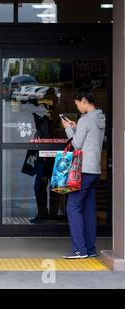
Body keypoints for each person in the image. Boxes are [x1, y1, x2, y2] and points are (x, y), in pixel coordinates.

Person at [61, 88, 106, 259]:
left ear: (84, 100)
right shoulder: (101, 118)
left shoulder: (85, 120)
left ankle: (79, 249)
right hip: (95, 170)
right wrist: (76, 127)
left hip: (83, 170)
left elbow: (77, 145)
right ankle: (90, 248)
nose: (78, 107)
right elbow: (88, 139)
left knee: (72, 207)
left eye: (78, 104)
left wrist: (68, 128)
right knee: (88, 208)